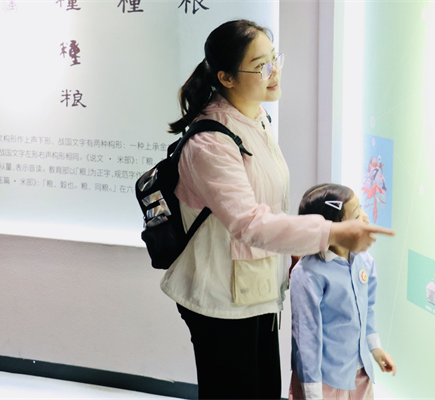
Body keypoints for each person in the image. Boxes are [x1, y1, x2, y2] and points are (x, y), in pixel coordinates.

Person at [159, 20, 396, 400]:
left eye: (275, 59)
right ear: (226, 77)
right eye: (261, 66)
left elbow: (269, 205)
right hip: (221, 299)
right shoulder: (210, 143)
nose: (274, 72)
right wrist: (332, 232)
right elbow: (249, 223)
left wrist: (294, 252)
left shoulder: (257, 118)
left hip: (256, 289)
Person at [289, 183, 396, 400]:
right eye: (356, 215)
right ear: (334, 228)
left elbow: (367, 309)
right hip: (324, 383)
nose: (365, 217)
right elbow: (307, 338)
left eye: (361, 209)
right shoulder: (308, 274)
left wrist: (375, 349)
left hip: (360, 375)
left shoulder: (364, 260)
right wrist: (312, 392)